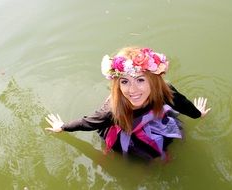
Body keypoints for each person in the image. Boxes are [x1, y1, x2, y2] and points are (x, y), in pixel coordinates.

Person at [45, 47, 211, 160]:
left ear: (154, 81)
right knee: (144, 155)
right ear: (117, 84)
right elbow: (89, 123)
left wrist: (198, 114)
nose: (132, 90)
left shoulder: (163, 90)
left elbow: (181, 103)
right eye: (124, 82)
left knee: (166, 143)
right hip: (126, 127)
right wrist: (63, 127)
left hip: (153, 118)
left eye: (140, 80)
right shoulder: (112, 110)